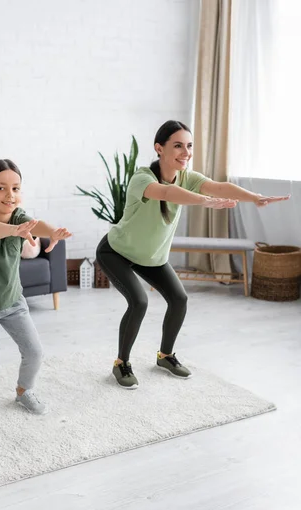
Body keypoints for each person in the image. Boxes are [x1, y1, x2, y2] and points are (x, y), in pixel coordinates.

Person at [96, 120, 290, 389]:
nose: (185, 152)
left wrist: (255, 196)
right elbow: (167, 192)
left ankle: (165, 356)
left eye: (189, 146)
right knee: (139, 302)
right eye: (177, 146)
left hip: (151, 257)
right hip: (116, 251)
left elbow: (220, 187)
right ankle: (121, 364)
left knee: (179, 299)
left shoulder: (189, 177)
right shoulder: (142, 178)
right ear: (159, 148)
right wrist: (203, 200)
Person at [0, 159, 72, 430]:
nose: (10, 195)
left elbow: (36, 224)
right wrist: (15, 231)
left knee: (34, 352)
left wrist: (52, 231)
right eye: (1, 188)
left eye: (15, 188)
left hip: (12, 302)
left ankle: (23, 392)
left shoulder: (21, 217)